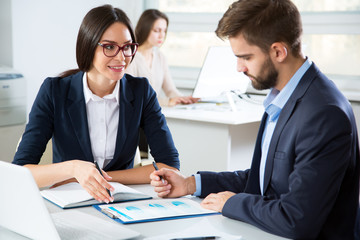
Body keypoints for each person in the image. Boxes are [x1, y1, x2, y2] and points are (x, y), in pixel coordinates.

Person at [150, 0, 360, 239]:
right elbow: (265, 181)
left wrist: (232, 203)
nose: (239, 68)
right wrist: (190, 184)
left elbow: (297, 218)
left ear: (279, 51)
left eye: (246, 57)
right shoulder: (281, 97)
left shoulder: (323, 113)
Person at [13, 4, 179, 204]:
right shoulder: (54, 91)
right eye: (109, 47)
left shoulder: (141, 91)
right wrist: (73, 169)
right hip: (69, 205)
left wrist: (98, 177)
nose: (121, 57)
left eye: (127, 47)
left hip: (120, 203)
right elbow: (21, 171)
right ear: (88, 46)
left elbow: (169, 166)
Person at [125, 9, 199, 107]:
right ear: (145, 29)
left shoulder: (160, 57)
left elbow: (170, 90)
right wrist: (167, 102)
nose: (162, 35)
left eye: (164, 31)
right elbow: (133, 96)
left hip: (154, 113)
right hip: (137, 115)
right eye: (157, 31)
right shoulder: (130, 57)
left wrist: (184, 99)